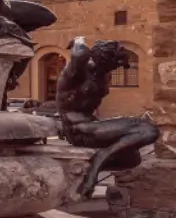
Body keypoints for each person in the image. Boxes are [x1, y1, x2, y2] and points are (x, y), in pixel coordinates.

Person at [56, 37, 159, 198]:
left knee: (132, 158)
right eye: (115, 65)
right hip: (78, 128)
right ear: (102, 60)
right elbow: (78, 55)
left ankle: (92, 166)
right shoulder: (78, 72)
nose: (117, 69)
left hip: (91, 125)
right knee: (148, 130)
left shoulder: (104, 74)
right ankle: (99, 160)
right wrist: (79, 42)